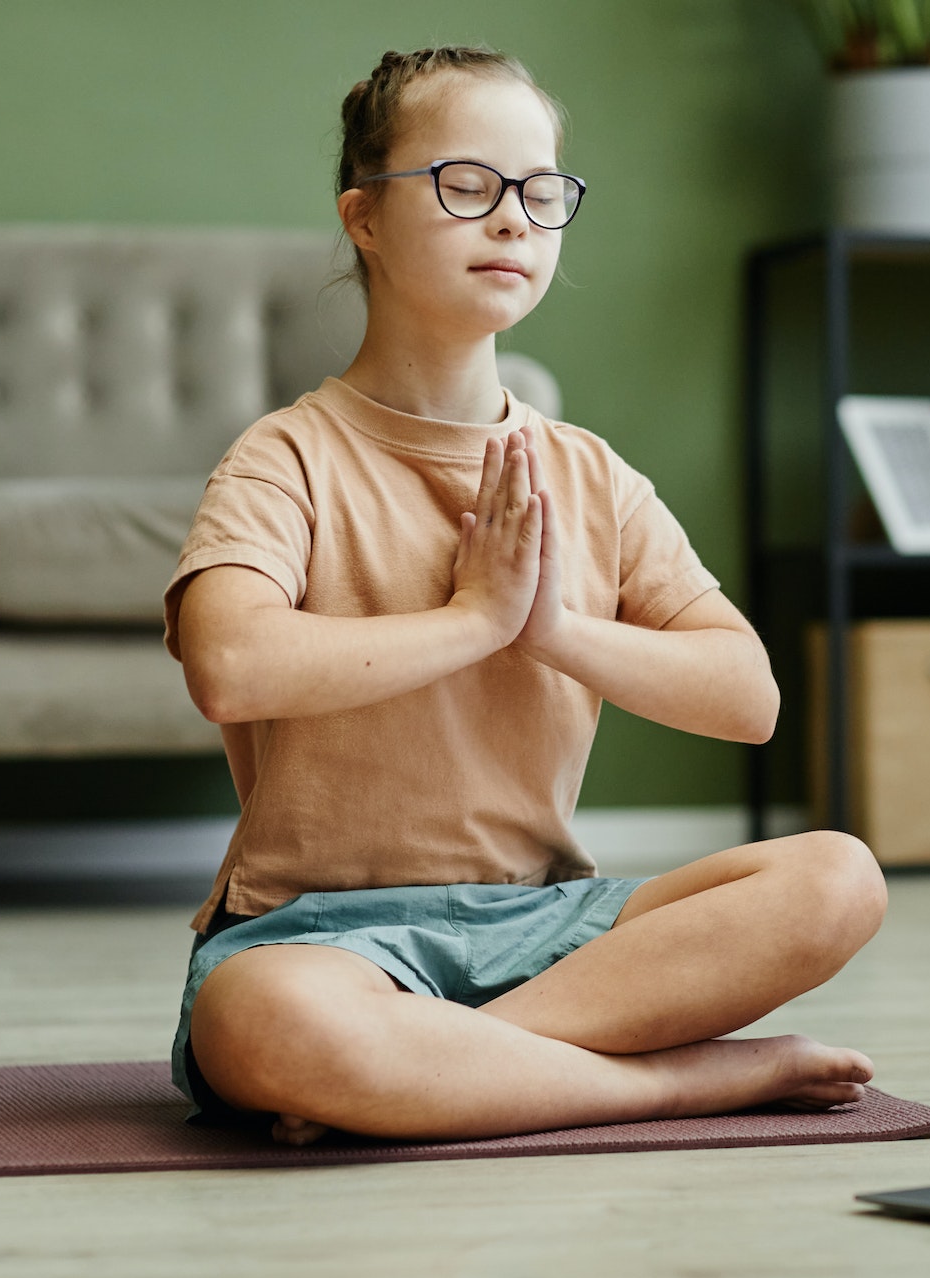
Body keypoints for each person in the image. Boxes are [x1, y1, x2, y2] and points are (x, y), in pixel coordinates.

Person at [164, 46, 886, 1145]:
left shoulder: (590, 474)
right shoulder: (285, 458)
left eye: (540, 193)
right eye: (465, 184)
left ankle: (438, 1070)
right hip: (321, 939)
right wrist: (472, 622)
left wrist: (548, 627)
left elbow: (748, 698)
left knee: (838, 876)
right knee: (265, 1023)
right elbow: (230, 665)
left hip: (545, 919)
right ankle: (673, 1083)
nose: (511, 220)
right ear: (362, 217)